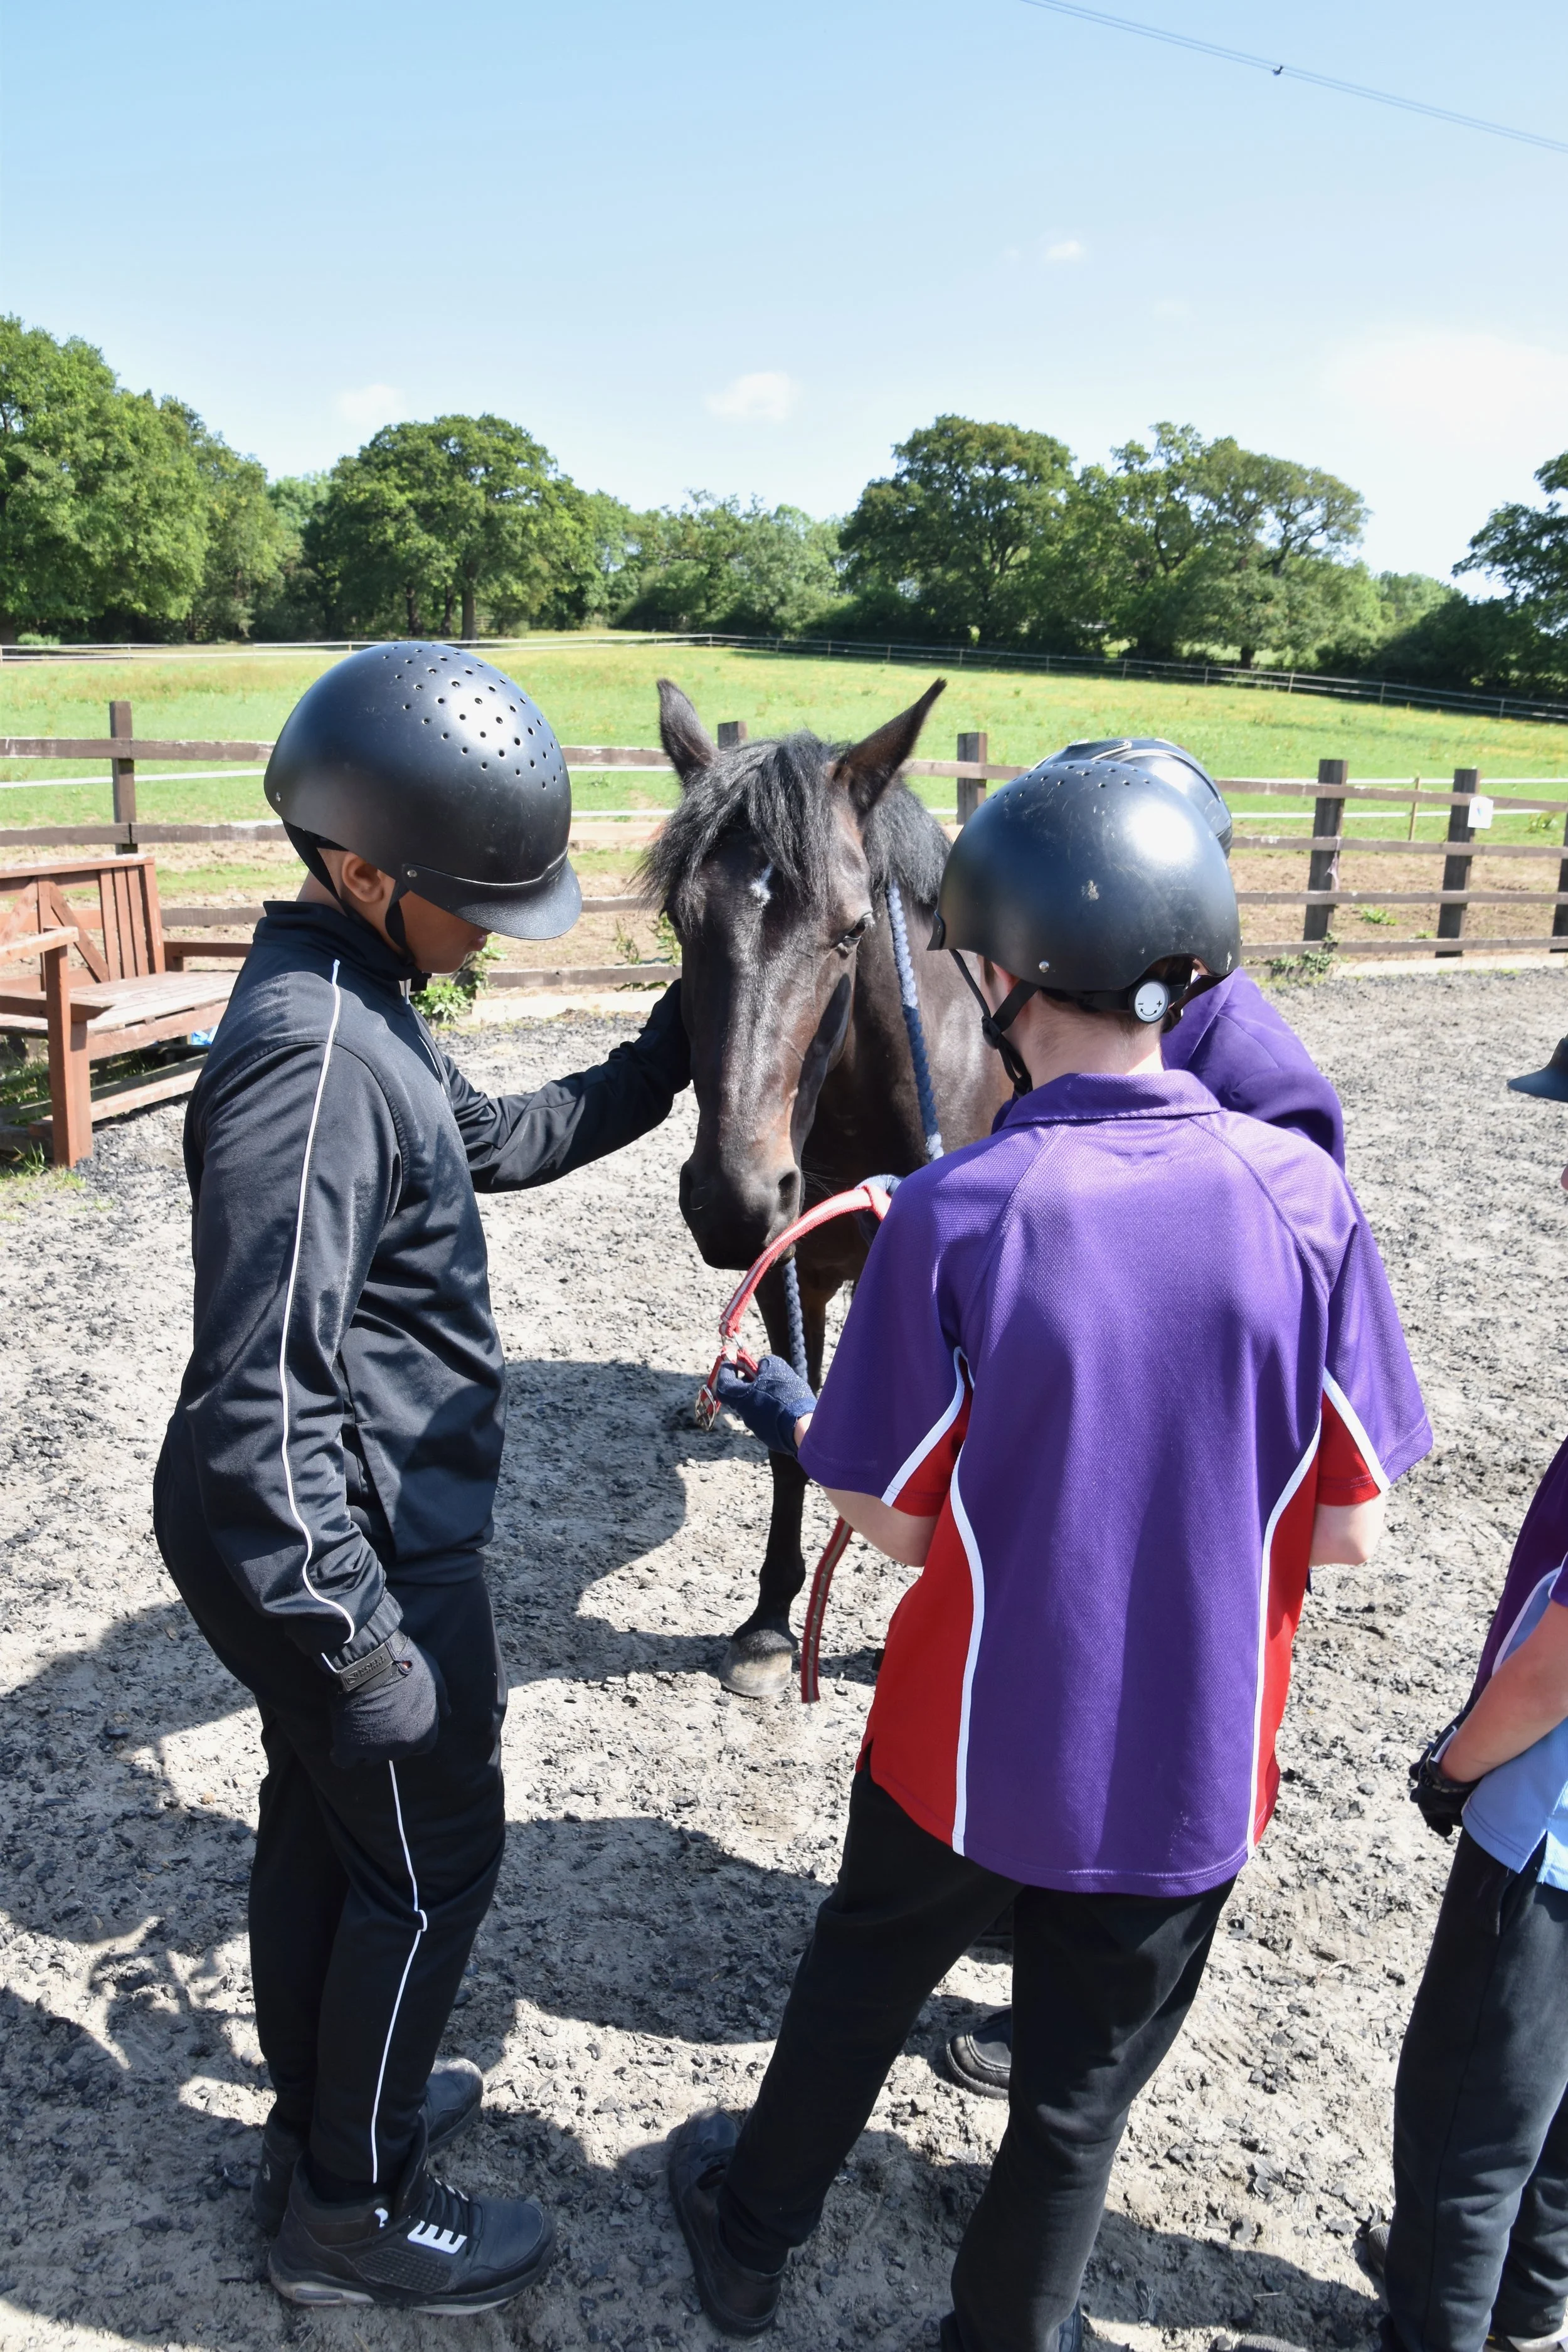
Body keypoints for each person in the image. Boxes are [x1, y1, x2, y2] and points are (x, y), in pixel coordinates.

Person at [679, 756, 1431, 2351]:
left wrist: (796, 1411)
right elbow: (1350, 1530)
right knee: (1076, 2104)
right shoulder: (1305, 1200)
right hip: (1194, 1762)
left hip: (963, 1738)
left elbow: (887, 1522)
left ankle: (747, 2244)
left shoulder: (958, 1212)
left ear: (1001, 974)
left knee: (859, 1982)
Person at [152, 644, 691, 2314]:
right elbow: (256, 1400)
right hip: (349, 1549)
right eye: (469, 899)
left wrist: (680, 1042)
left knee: (330, 1828)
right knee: (428, 1856)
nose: (488, 931)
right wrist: (353, 1637)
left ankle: (332, 2115)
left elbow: (494, 1142)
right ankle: (349, 2208)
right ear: (363, 867)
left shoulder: (364, 1001)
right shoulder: (306, 1067)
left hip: (359, 1527)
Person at [945, 736, 1348, 2103]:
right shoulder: (1080, 1001)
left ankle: (1088, 2017)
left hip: (1176, 1412)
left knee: (1160, 1731)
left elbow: (1276, 1229)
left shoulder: (1240, 1051)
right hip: (1095, 1373)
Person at [1378, 1034, 1568, 2352]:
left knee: (1460, 2147)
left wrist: (1455, 1764)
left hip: (1547, 1839)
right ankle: (1525, 2321)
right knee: (1552, 2133)